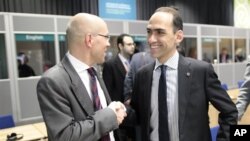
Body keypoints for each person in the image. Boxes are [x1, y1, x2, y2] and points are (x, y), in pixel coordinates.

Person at [130, 6, 237, 141]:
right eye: (149, 32)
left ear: (178, 36)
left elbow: (230, 111)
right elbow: (137, 116)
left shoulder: (200, 72)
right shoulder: (142, 75)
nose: (151, 39)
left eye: (160, 32)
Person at [37, 13, 127, 141]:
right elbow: (65, 136)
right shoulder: (52, 81)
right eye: (106, 37)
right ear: (89, 40)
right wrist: (110, 114)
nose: (108, 44)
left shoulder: (93, 72)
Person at [102, 33, 135, 141]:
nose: (132, 46)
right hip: (119, 114)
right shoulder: (110, 65)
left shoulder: (135, 63)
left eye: (133, 44)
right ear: (120, 46)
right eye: (129, 44)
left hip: (133, 114)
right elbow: (107, 91)